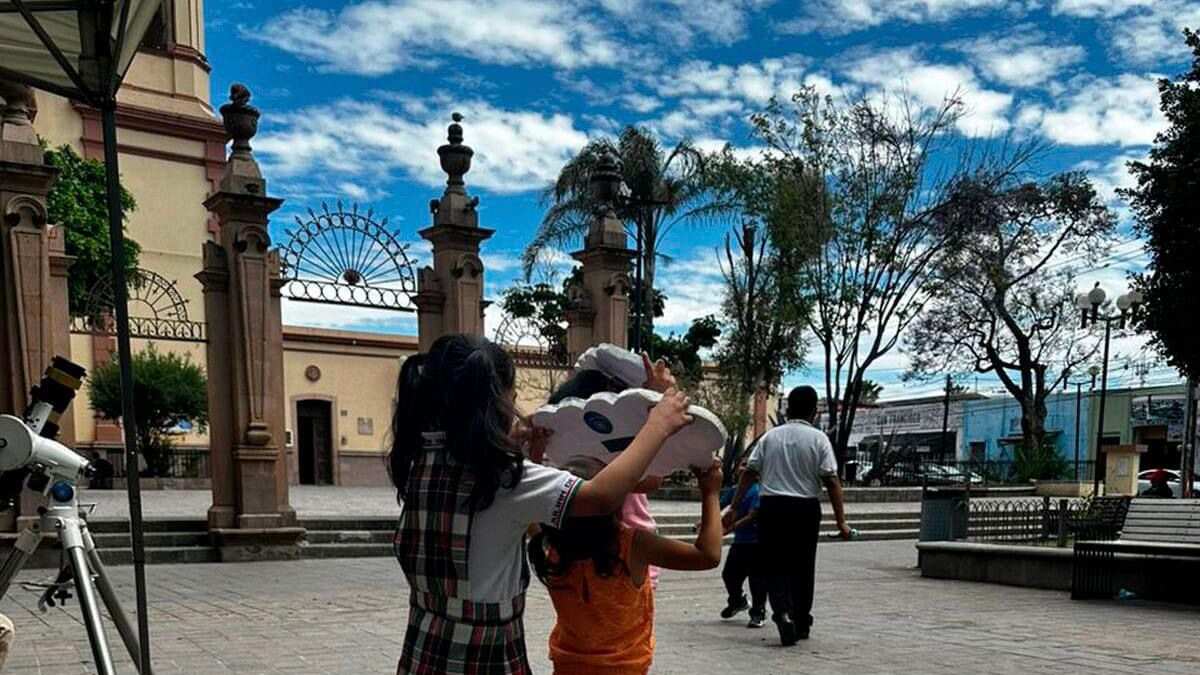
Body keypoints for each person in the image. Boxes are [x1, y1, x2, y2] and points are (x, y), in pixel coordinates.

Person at [389, 334, 693, 674]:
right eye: (510, 397)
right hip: (484, 656)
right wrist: (658, 425)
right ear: (494, 406)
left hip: (423, 650)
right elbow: (600, 496)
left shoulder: (417, 462)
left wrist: (518, 450)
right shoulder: (504, 479)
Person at [529, 456, 723, 675]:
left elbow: (530, 502)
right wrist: (711, 493)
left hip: (567, 667)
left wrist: (535, 458)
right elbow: (708, 555)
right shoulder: (632, 546)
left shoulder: (552, 550)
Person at [723, 385, 852, 647]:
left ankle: (781, 610)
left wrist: (735, 505)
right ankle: (801, 618)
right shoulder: (819, 439)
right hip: (804, 509)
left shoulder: (771, 438)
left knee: (775, 563)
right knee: (803, 565)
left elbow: (749, 472)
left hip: (772, 508)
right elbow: (832, 480)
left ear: (788, 409)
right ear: (814, 412)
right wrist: (841, 521)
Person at [544, 345, 677, 588]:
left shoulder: (626, 447)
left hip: (622, 553)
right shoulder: (575, 454)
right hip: (585, 551)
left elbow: (652, 479)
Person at [719, 458, 767, 628]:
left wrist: (729, 528)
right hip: (740, 542)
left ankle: (758, 612)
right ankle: (737, 601)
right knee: (729, 575)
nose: (742, 469)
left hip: (757, 542)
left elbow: (753, 515)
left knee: (757, 579)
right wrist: (705, 522)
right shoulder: (734, 491)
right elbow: (719, 506)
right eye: (741, 465)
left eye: (747, 466)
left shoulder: (759, 491)